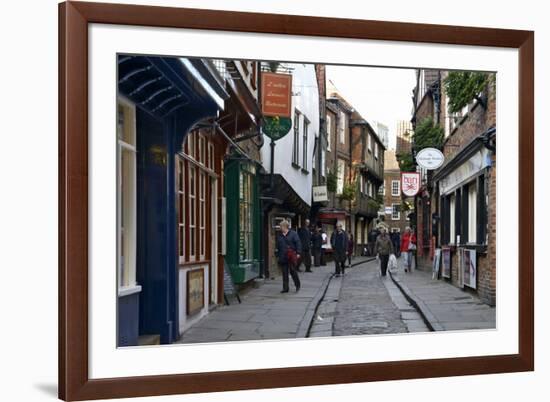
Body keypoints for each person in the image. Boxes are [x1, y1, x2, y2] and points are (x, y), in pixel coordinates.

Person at [275, 220, 302, 293]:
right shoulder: (279, 235)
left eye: (281, 226)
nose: (280, 228)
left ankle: (297, 285)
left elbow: (298, 243)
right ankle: (285, 288)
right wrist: (277, 255)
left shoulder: (293, 234)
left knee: (293, 271)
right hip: (283, 256)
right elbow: (277, 246)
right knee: (284, 273)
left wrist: (298, 253)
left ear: (284, 226)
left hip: (291, 256)